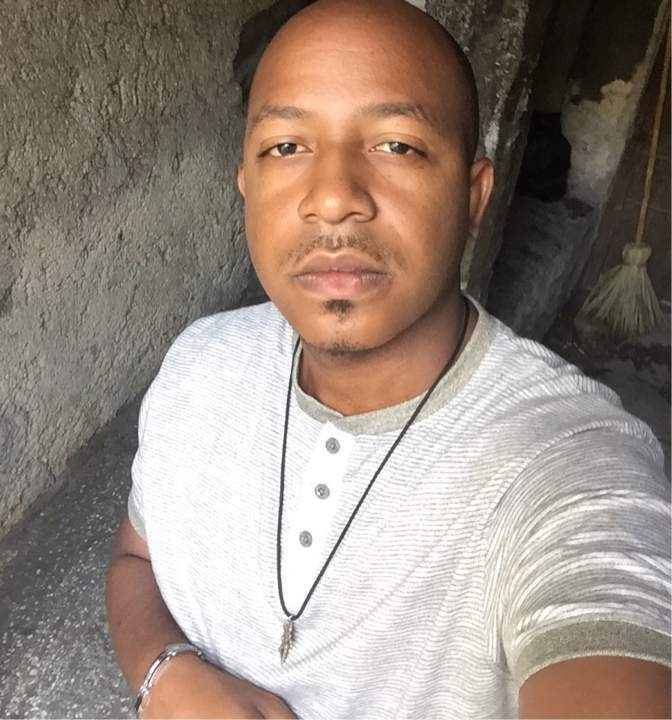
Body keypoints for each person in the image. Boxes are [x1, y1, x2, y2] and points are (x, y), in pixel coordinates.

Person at [105, 0, 672, 717]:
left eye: (397, 145)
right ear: (246, 186)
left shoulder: (569, 459)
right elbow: (137, 559)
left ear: (473, 198)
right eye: (286, 146)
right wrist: (165, 671)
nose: (333, 198)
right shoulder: (198, 367)